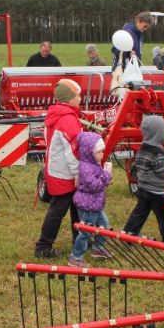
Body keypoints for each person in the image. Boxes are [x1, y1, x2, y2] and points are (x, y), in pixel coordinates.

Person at [34, 79, 82, 258]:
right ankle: (43, 246)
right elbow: (73, 151)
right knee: (58, 209)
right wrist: (79, 173)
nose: (80, 98)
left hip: (55, 168)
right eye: (78, 95)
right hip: (65, 173)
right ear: (69, 99)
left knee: (75, 206)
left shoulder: (57, 114)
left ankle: (80, 238)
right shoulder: (68, 120)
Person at [123, 115, 164, 245]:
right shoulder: (158, 152)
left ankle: (128, 236)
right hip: (156, 192)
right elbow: (161, 172)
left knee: (139, 214)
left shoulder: (142, 148)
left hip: (142, 188)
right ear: (158, 133)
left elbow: (138, 166)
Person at [69, 132, 112, 267]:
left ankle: (98, 249)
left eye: (102, 151)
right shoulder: (85, 168)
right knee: (86, 232)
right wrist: (107, 174)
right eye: (99, 152)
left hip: (96, 205)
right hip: (87, 206)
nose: (102, 154)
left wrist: (104, 175)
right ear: (89, 152)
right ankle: (75, 257)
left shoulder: (94, 163)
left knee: (104, 226)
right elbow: (95, 186)